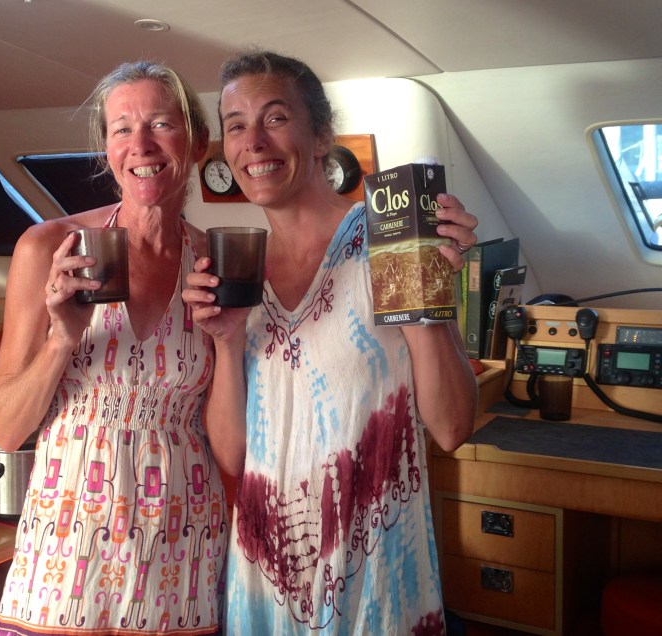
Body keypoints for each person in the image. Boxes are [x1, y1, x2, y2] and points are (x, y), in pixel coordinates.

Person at [183, 50, 479, 635]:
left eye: (275, 118)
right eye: (236, 125)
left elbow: (451, 427)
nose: (253, 142)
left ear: (321, 136)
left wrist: (423, 291)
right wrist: (227, 341)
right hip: (264, 585)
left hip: (376, 581)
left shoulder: (390, 239)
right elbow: (235, 457)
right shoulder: (236, 268)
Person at [0, 61, 227, 635]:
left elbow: (227, 435)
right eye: (122, 128)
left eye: (161, 124)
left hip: (182, 553)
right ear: (107, 148)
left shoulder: (216, 264)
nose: (140, 144)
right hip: (65, 558)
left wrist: (231, 337)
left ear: (197, 142)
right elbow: (7, 431)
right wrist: (62, 338)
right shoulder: (48, 247)